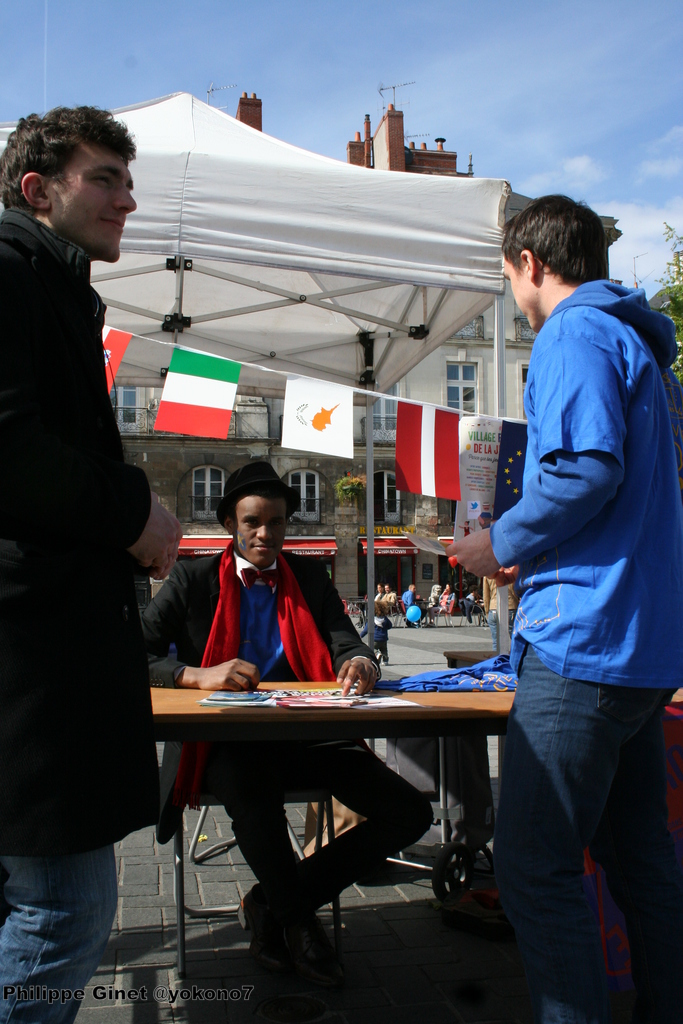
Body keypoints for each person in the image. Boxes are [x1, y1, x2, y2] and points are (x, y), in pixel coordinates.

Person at [449, 195, 683, 1023]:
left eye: (507, 274)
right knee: (640, 862)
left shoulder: (572, 334)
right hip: (643, 647)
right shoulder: (644, 350)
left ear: (528, 263)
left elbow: (585, 471)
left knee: (533, 868)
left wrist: (497, 544)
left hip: (584, 639)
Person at [0, 107, 183, 1024]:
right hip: (30, 661)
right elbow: (8, 450)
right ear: (38, 190)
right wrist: (134, 516)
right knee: (63, 912)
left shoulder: (53, 284)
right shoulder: (9, 272)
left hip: (44, 657)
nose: (126, 197)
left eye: (126, 178)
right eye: (103, 177)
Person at [142, 463, 432, 988]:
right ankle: (298, 922)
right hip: (222, 740)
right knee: (252, 795)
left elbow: (346, 638)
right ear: (230, 522)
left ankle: (270, 902)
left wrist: (361, 662)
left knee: (409, 813)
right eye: (253, 521)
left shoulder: (310, 576)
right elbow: (130, 653)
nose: (265, 534)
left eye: (276, 522)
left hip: (307, 731)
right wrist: (195, 674)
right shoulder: (193, 578)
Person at [483, 576, 519, 651]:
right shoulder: (510, 571)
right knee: (514, 639)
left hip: (493, 608)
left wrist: (487, 611)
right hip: (510, 606)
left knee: (496, 641)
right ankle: (515, 660)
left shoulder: (488, 574)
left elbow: (486, 596)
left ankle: (497, 660)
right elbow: (515, 591)